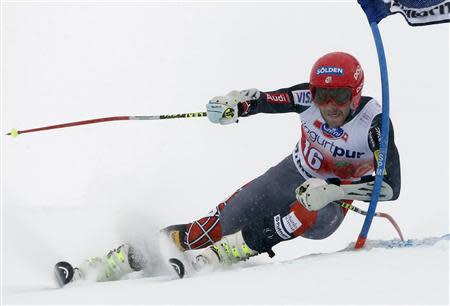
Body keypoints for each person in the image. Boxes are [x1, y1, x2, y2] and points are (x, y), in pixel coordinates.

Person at [56, 51, 401, 285]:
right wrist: (235, 104)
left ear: (356, 94)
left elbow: (390, 187)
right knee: (221, 222)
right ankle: (111, 262)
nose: (329, 106)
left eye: (339, 96)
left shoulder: (375, 123)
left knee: (309, 211)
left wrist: (337, 191)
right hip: (290, 174)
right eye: (321, 95)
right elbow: (264, 100)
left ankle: (231, 252)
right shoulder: (307, 98)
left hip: (331, 201)